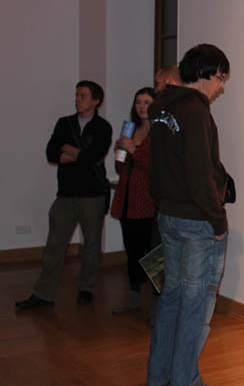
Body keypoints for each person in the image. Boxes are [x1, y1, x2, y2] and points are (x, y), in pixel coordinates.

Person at [147, 44, 231, 386]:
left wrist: (164, 204)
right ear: (205, 73)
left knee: (172, 298)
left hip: (169, 215)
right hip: (196, 221)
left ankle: (159, 377)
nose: (221, 86)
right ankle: (185, 379)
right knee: (193, 306)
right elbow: (200, 175)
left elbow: (157, 167)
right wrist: (218, 220)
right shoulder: (195, 112)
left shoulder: (162, 109)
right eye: (221, 77)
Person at [15, 80, 112, 310]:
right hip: (66, 194)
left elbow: (93, 157)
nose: (77, 99)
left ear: (96, 101)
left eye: (83, 95)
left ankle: (86, 288)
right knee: (54, 246)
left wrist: (67, 150)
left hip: (93, 195)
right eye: (76, 95)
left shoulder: (103, 127)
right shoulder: (64, 123)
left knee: (91, 246)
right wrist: (80, 154)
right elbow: (51, 154)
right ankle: (44, 294)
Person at [110, 87, 157, 314]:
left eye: (147, 102)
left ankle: (158, 302)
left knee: (153, 253)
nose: (142, 106)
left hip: (147, 202)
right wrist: (120, 151)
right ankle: (134, 294)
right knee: (132, 252)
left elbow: (155, 168)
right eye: (138, 101)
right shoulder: (131, 131)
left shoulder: (158, 134)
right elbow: (120, 169)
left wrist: (133, 151)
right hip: (126, 201)